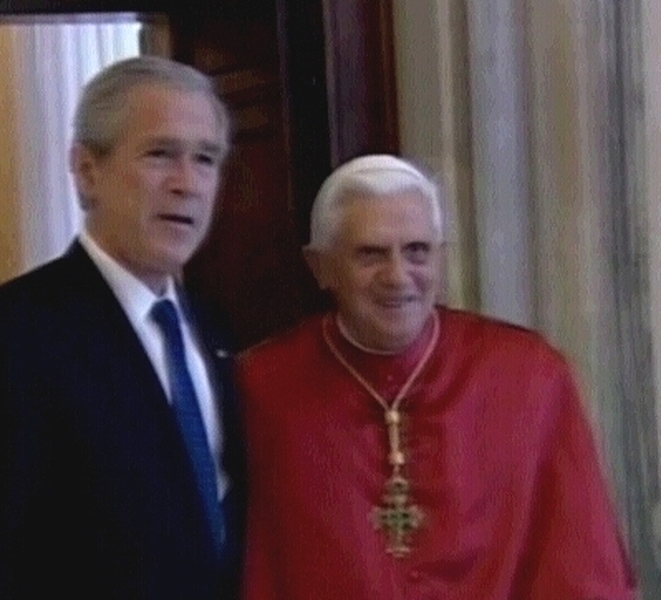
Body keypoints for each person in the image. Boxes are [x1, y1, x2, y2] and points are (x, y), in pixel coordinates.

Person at [0, 56, 245, 599]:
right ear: (87, 171)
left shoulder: (219, 330)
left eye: (206, 159)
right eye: (160, 154)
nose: (188, 183)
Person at [238, 154, 636, 599]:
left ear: (441, 259)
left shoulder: (531, 377)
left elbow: (582, 562)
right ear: (321, 267)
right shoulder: (261, 386)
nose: (398, 276)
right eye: (370, 254)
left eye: (417, 251)